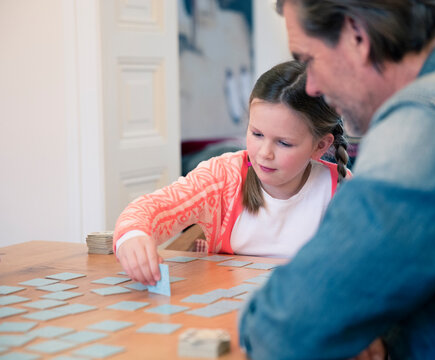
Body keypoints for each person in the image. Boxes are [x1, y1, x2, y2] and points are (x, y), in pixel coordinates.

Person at [239, 1, 435, 359]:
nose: (313, 87)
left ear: (356, 35)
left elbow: (281, 331)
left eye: (308, 61)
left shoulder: (426, 124)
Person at [113, 60, 350, 286]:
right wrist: (132, 237)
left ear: (320, 146)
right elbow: (152, 208)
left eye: (284, 143)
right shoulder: (222, 176)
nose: (264, 153)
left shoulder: (341, 188)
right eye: (257, 134)